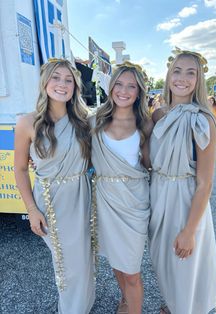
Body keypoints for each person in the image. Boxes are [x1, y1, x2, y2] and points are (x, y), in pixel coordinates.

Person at [14, 59, 95, 314]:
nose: (62, 84)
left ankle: (84, 303)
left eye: (68, 80)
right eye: (56, 78)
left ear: (75, 87)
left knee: (83, 260)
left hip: (81, 196)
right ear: (45, 82)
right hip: (50, 200)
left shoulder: (85, 121)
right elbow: (19, 168)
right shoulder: (27, 122)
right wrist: (31, 210)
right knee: (65, 261)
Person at [148, 48, 216, 313]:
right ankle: (175, 302)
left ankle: (185, 308)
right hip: (158, 194)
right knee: (164, 261)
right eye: (177, 71)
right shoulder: (157, 115)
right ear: (168, 76)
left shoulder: (203, 121)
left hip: (185, 199)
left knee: (185, 261)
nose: (182, 78)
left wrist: (190, 231)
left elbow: (206, 183)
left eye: (191, 73)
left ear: (198, 79)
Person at [91, 61, 150, 314]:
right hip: (105, 200)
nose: (124, 91)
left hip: (134, 202)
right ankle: (125, 300)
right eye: (119, 84)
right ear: (111, 86)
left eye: (131, 86)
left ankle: (132, 305)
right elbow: (73, 151)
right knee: (115, 261)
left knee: (132, 270)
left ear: (139, 92)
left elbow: (150, 164)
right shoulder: (94, 121)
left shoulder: (145, 124)